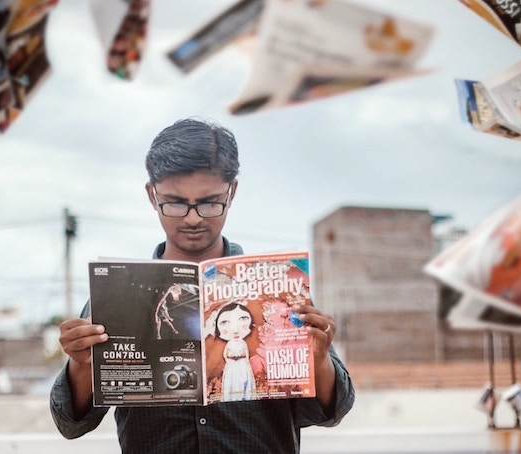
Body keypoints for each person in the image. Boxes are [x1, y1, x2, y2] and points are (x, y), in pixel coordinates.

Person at [50, 118, 355, 453]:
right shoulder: (116, 296)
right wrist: (81, 364)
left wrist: (318, 359)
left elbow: (333, 411)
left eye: (209, 202)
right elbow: (70, 422)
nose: (193, 218)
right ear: (152, 195)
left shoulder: (278, 288)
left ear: (232, 192)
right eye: (176, 202)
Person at [214, 302, 256, 402]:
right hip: (232, 368)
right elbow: (226, 355)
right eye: (224, 322)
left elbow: (245, 354)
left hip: (242, 367)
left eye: (243, 318)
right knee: (232, 384)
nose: (235, 330)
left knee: (244, 384)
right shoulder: (229, 344)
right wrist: (232, 357)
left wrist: (239, 356)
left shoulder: (242, 342)